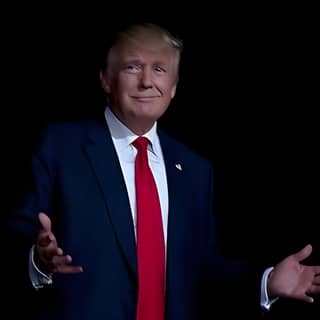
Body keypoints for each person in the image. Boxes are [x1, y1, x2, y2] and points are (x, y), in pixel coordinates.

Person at [3, 22, 320, 320]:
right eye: (132, 67)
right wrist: (37, 260)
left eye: (159, 69)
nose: (146, 81)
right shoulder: (60, 145)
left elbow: (201, 270)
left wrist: (266, 282)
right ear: (105, 78)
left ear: (173, 87)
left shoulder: (195, 170)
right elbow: (14, 237)